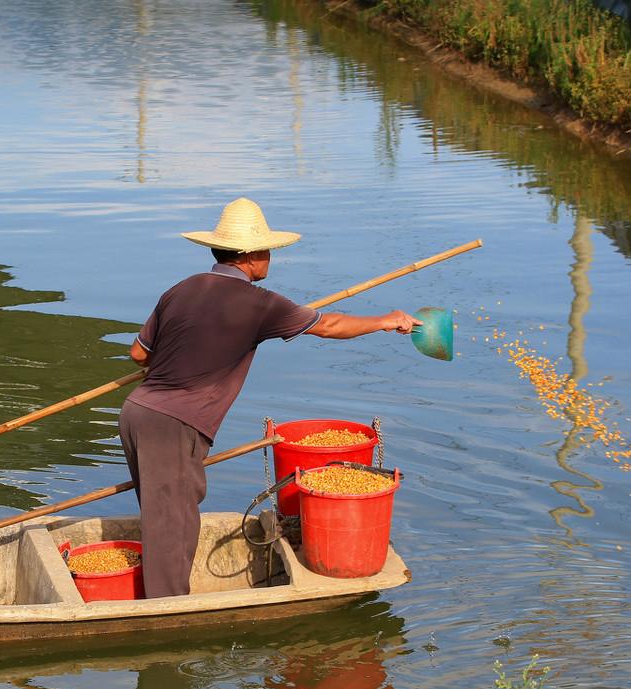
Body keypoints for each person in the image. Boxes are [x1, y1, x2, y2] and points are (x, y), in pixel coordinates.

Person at [119, 197, 421, 598]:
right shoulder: (261, 304)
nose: (269, 259)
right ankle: (166, 612)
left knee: (165, 518)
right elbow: (329, 325)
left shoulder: (182, 289)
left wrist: (184, 351)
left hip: (137, 413)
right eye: (266, 251)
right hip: (173, 426)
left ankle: (163, 597)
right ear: (248, 256)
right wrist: (387, 321)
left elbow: (139, 354)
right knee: (172, 529)